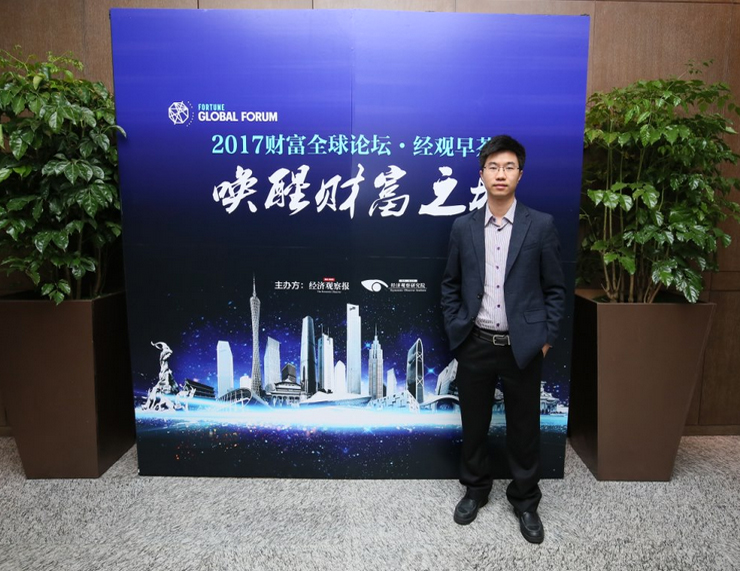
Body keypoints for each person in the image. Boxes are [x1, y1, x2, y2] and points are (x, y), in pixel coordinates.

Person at [440, 135, 565, 543]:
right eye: (493, 167)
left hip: (522, 347)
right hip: (475, 343)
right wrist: (457, 332)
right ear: (482, 174)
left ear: (520, 175)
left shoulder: (540, 225)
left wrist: (544, 339)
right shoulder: (463, 227)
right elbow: (450, 284)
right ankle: (475, 489)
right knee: (474, 424)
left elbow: (555, 289)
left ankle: (526, 501)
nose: (500, 174)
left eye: (509, 167)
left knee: (524, 429)